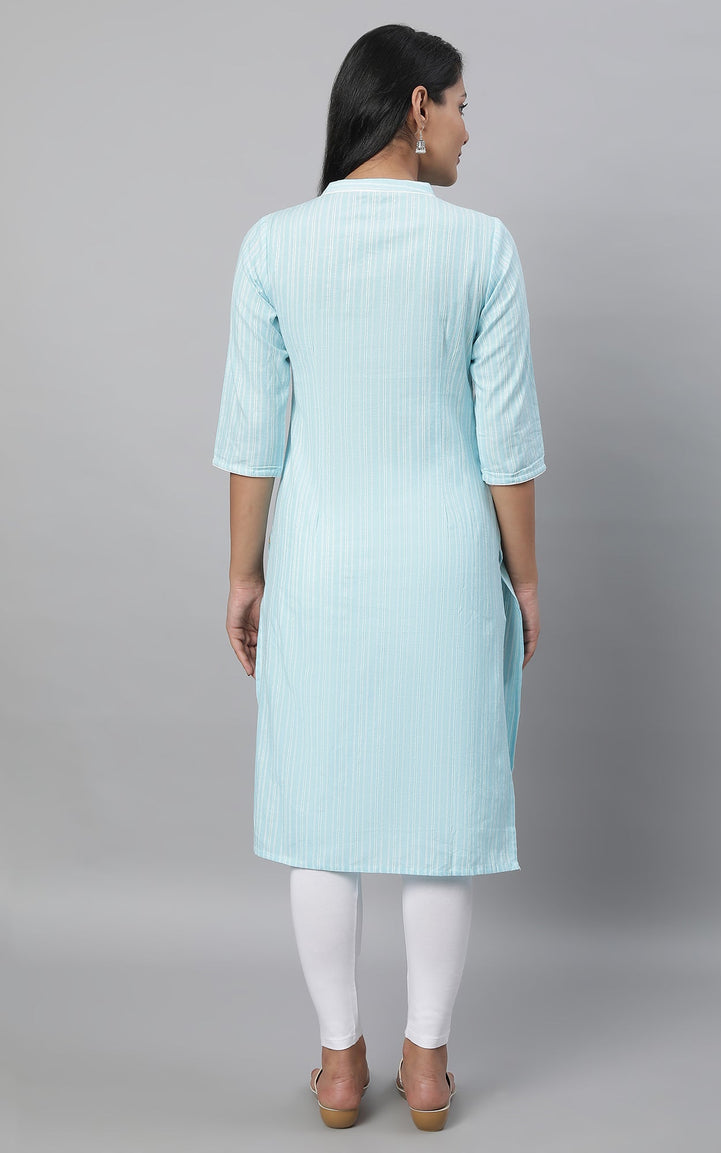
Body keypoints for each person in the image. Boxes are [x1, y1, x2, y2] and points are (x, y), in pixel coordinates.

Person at [212, 24, 546, 1132]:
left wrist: (243, 573)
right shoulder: (482, 248)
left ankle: (340, 1066)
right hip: (446, 566)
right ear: (413, 107)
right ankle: (428, 1066)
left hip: (320, 565)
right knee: (439, 813)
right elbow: (505, 446)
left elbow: (253, 435)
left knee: (323, 813)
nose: (466, 129)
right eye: (459, 105)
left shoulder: (274, 245)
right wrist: (525, 579)